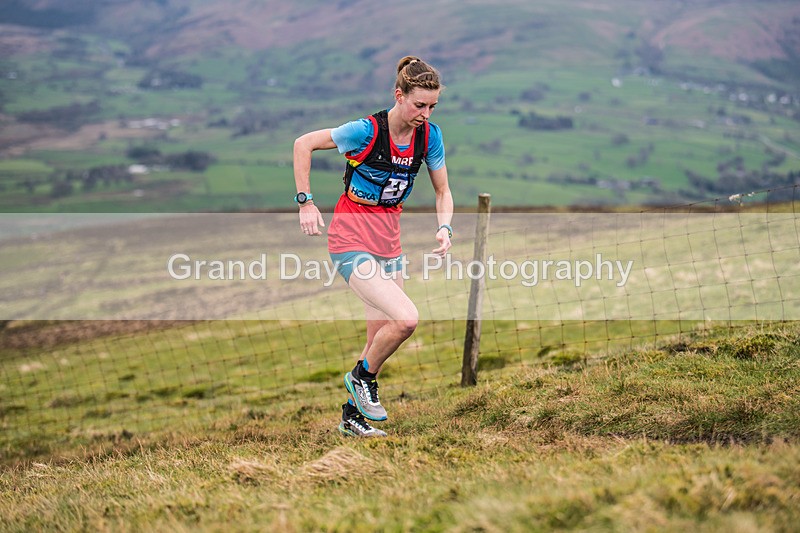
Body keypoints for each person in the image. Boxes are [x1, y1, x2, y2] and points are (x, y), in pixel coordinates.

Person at [292, 56, 453, 438]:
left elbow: (443, 191)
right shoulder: (364, 131)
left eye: (432, 106)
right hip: (350, 238)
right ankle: (360, 378)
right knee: (406, 319)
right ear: (399, 95)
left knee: (378, 335)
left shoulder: (430, 136)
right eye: (419, 105)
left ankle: (352, 418)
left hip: (389, 242)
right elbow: (303, 144)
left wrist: (445, 227)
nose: (425, 114)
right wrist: (306, 201)